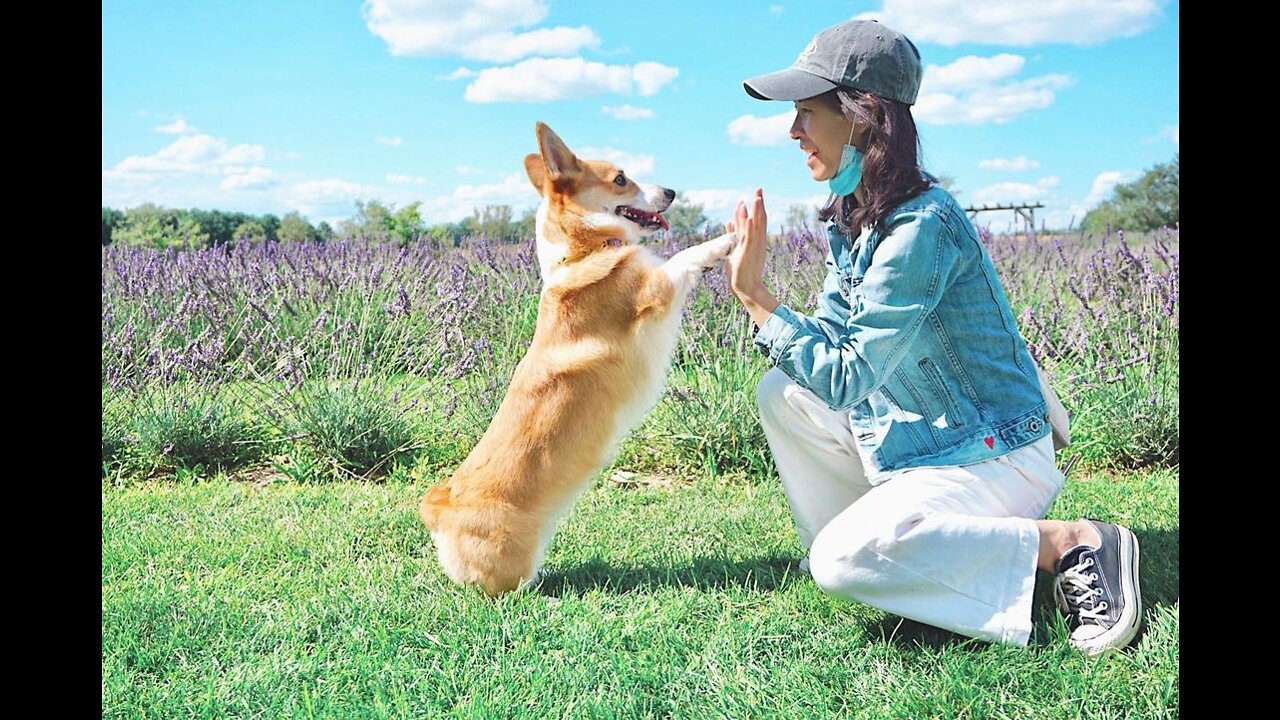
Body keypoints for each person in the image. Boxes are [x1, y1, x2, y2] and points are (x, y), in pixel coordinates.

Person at [722, 19, 1141, 655]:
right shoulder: (856, 220)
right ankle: (920, 562)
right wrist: (772, 311)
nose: (793, 131)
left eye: (807, 112)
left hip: (990, 451)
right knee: (783, 392)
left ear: (863, 117)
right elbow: (832, 346)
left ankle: (1072, 543)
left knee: (837, 560)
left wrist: (756, 295)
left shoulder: (920, 225)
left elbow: (847, 376)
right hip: (933, 446)